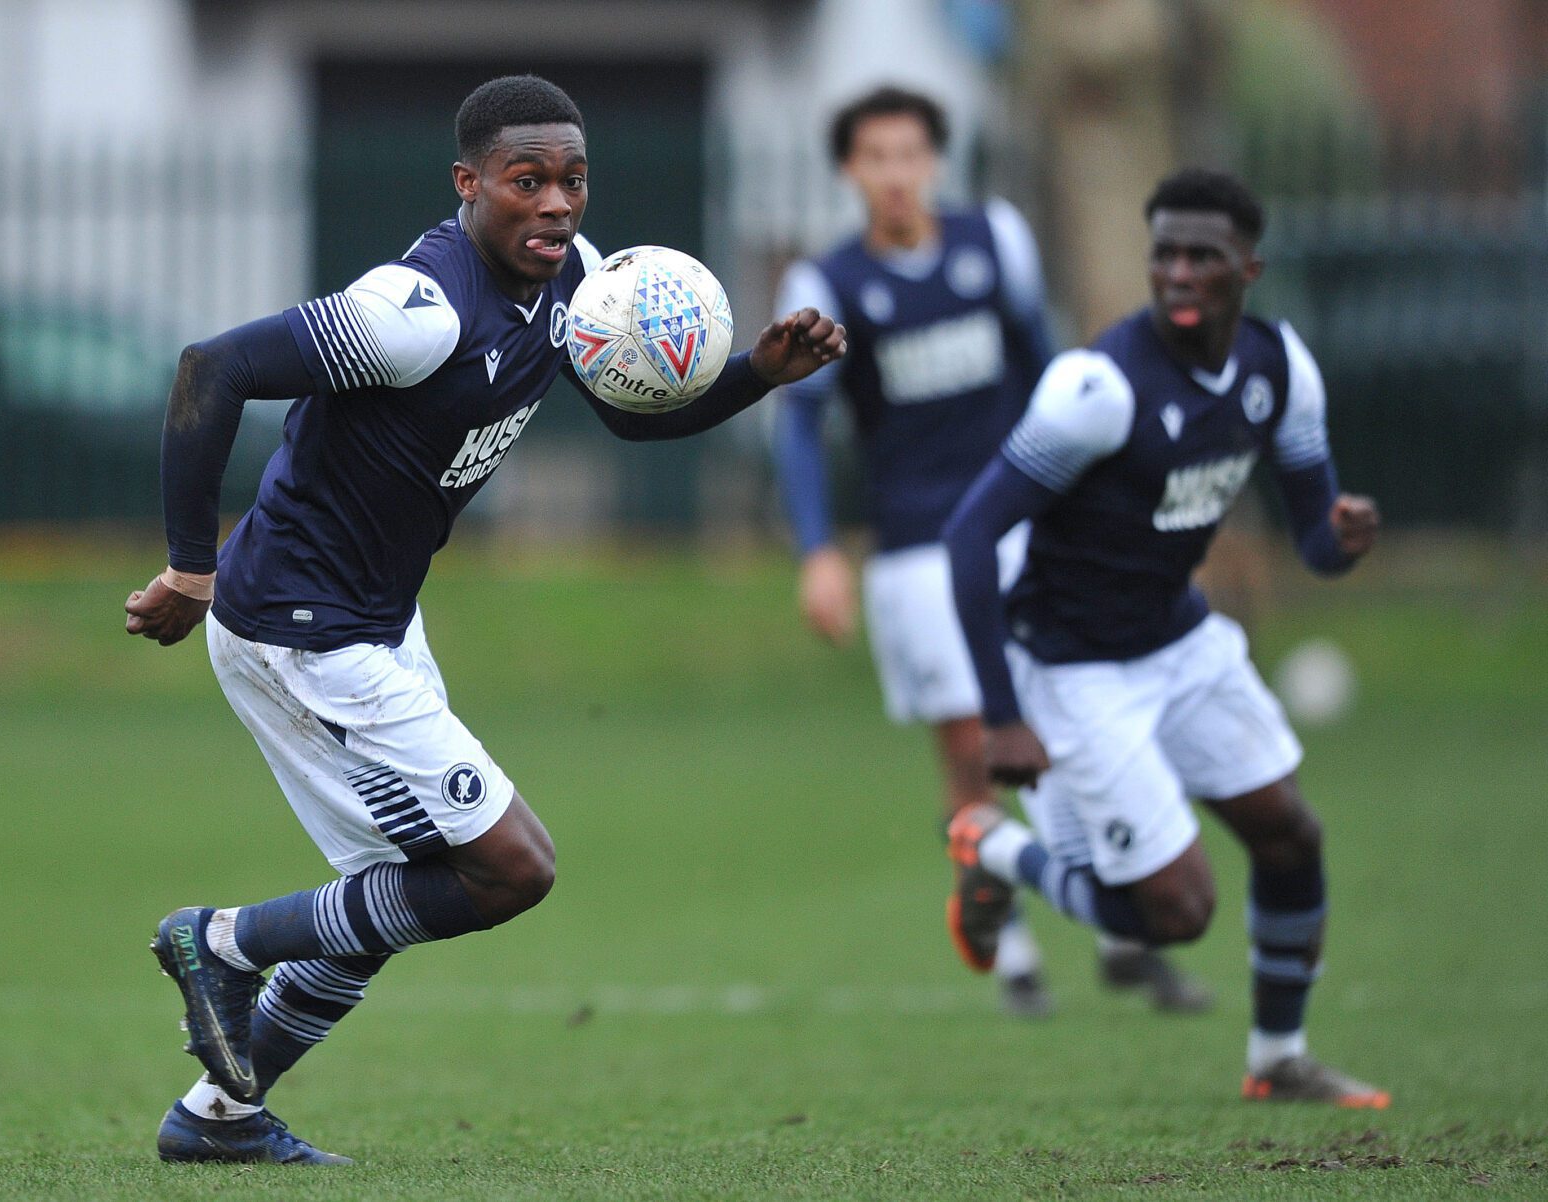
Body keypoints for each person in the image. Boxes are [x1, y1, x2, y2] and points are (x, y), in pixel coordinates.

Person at [122, 74, 846, 1165]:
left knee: (396, 893)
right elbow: (211, 369)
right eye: (526, 180)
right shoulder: (412, 316)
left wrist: (756, 375)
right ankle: (219, 941)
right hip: (301, 631)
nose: (556, 203)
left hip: (372, 619)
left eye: (573, 179)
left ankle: (215, 1118)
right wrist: (190, 567)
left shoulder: (576, 279)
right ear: (467, 185)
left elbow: (630, 416)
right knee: (510, 868)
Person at [941, 168, 1388, 1105]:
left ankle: (1278, 1059)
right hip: (1073, 666)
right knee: (1175, 914)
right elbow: (972, 534)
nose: (1180, 272)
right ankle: (993, 848)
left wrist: (1341, 538)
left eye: (1203, 256)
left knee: (1289, 833)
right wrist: (1003, 716)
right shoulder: (1097, 389)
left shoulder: (1279, 369)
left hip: (1179, 641)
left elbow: (1316, 540)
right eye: (1166, 254)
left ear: (1248, 269)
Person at [773, 86, 1206, 1017]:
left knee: (1077, 725)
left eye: (910, 153)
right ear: (850, 171)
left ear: (935, 160)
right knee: (974, 749)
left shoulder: (994, 241)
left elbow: (1047, 370)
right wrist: (818, 550)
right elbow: (800, 425)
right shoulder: (827, 282)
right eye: (876, 157)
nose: (896, 174)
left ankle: (1126, 935)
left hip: (1025, 528)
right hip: (919, 555)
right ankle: (1012, 955)